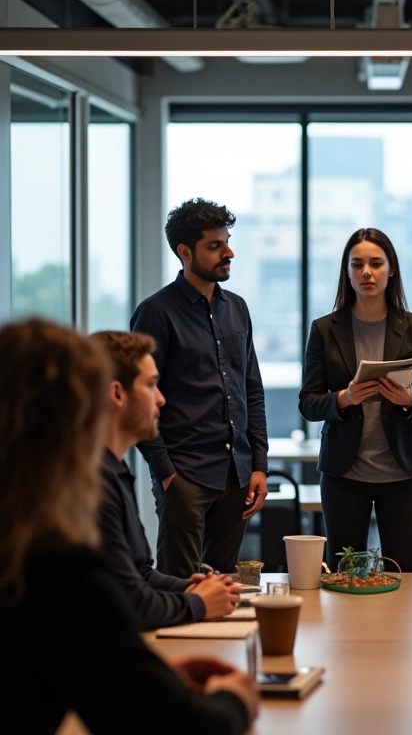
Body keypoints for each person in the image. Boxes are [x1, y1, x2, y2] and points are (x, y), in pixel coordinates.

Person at [0, 319, 259, 735]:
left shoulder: (22, 543)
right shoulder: (59, 563)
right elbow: (187, 727)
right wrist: (238, 696)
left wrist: (143, 671)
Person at [131, 198, 269, 577]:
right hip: (185, 474)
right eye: (215, 246)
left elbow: (251, 391)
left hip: (237, 474)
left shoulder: (238, 308)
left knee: (223, 583)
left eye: (226, 241)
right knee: (179, 585)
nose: (229, 252)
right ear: (185, 252)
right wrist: (166, 473)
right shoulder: (156, 313)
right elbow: (136, 399)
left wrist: (259, 465)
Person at [299, 228, 412, 572]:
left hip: (404, 474)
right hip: (342, 476)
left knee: (404, 575)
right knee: (345, 576)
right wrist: (343, 398)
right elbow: (308, 402)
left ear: (391, 269)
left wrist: (410, 399)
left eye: (376, 263)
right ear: (347, 272)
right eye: (358, 264)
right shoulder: (324, 329)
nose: (367, 272)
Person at [92, 330, 242, 631]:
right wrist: (199, 603)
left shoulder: (115, 471)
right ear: (117, 393)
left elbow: (142, 574)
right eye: (151, 385)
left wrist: (191, 588)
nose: (161, 399)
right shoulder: (92, 484)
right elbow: (130, 603)